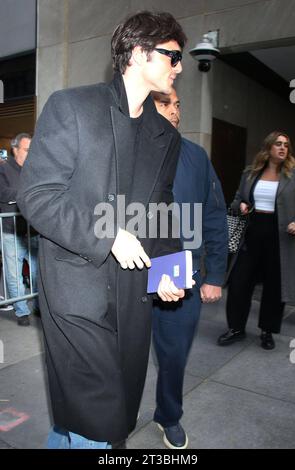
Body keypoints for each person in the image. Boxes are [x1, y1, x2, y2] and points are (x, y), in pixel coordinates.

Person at [17, 11, 188, 449]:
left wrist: (168, 270)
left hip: (133, 291)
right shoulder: (72, 106)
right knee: (102, 416)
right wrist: (109, 234)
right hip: (75, 285)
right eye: (171, 56)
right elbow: (37, 196)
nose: (179, 67)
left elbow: (161, 207)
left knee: (101, 413)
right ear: (138, 52)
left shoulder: (165, 136)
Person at [151, 89, 228, 449]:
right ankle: (113, 416)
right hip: (129, 269)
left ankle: (168, 415)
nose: (175, 110)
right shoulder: (125, 152)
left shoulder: (196, 157)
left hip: (182, 271)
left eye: (178, 104)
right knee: (122, 356)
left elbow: (213, 216)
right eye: (165, 103)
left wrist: (214, 274)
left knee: (174, 353)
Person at [218, 131, 295, 350]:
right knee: (239, 282)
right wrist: (240, 205)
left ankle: (267, 331)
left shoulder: (293, 175)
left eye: (286, 145)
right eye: (278, 144)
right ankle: (236, 328)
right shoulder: (250, 173)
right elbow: (236, 200)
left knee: (274, 286)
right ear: (269, 147)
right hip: (252, 234)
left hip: (281, 237)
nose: (283, 148)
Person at [0, 133, 39, 326]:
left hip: (33, 231)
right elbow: (2, 193)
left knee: (38, 272)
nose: (31, 154)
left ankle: (40, 306)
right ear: (15, 150)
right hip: (11, 231)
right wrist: (26, 194)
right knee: (14, 276)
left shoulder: (33, 171)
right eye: (27, 150)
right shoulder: (3, 169)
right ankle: (22, 311)